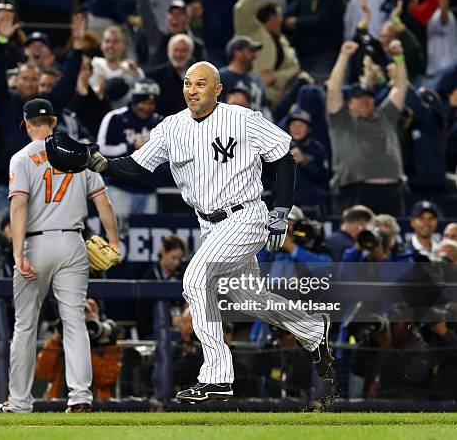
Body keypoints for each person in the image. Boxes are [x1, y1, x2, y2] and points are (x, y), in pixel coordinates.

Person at [86, 61, 333, 404]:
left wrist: (281, 209)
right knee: (250, 299)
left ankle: (217, 376)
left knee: (194, 280)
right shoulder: (171, 127)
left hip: (245, 216)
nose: (192, 89)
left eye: (201, 84)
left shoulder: (241, 118)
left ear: (217, 89)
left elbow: (283, 157)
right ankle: (313, 329)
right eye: (188, 83)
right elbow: (136, 166)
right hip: (209, 224)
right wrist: (100, 163)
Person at [0, 98, 120, 414]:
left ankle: (20, 402)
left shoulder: (22, 158)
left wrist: (17, 253)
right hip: (72, 243)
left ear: (25, 124)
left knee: (25, 326)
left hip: (35, 245)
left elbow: (18, 205)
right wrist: (114, 241)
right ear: (54, 122)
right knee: (75, 322)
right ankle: (80, 397)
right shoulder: (80, 153)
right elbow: (104, 204)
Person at [0, 14, 85, 219]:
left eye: (33, 79)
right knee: (2, 245)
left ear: (39, 82)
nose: (29, 83)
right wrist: (1, 43)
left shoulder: (46, 105)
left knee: (35, 247)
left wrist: (77, 47)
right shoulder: (5, 102)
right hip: (3, 187)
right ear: (16, 80)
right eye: (24, 79)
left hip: (37, 190)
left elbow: (66, 84)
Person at [326, 40, 407, 216]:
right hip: (356, 188)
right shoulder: (341, 119)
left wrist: (399, 57)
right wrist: (344, 55)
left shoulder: (385, 115)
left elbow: (400, 88)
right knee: (355, 236)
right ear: (349, 103)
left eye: (369, 97)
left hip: (392, 190)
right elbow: (333, 90)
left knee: (391, 239)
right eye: (359, 98)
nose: (365, 101)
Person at [97, 78, 164, 215]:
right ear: (134, 100)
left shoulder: (160, 123)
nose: (146, 107)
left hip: (148, 189)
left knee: (147, 232)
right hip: (119, 188)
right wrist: (129, 148)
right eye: (142, 102)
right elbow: (101, 149)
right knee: (119, 231)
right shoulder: (115, 118)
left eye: (151, 103)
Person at [234, 0, 300, 107]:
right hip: (249, 93)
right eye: (280, 15)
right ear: (272, 17)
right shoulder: (251, 32)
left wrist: (275, 77)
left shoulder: (283, 41)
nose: (282, 19)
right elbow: (242, 9)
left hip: (275, 99)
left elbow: (295, 68)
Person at [89, 26, 144, 109]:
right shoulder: (93, 66)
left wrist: (137, 76)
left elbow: (143, 98)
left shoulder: (132, 70)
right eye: (107, 41)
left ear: (123, 46)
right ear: (101, 45)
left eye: (115, 42)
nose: (110, 45)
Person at [286, 109, 330, 211]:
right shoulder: (279, 147)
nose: (297, 128)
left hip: (310, 207)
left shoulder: (317, 148)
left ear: (309, 129)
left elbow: (324, 177)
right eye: (294, 125)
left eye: (301, 125)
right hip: (284, 208)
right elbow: (269, 177)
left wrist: (305, 161)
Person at [147, 33, 193, 117]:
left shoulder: (199, 75)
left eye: (183, 51)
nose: (179, 55)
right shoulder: (155, 76)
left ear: (190, 54)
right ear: (168, 52)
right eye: (176, 50)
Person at [219, 36, 266, 113]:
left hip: (256, 123)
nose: (255, 56)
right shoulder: (220, 77)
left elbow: (264, 107)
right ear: (237, 53)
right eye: (251, 51)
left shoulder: (256, 78)